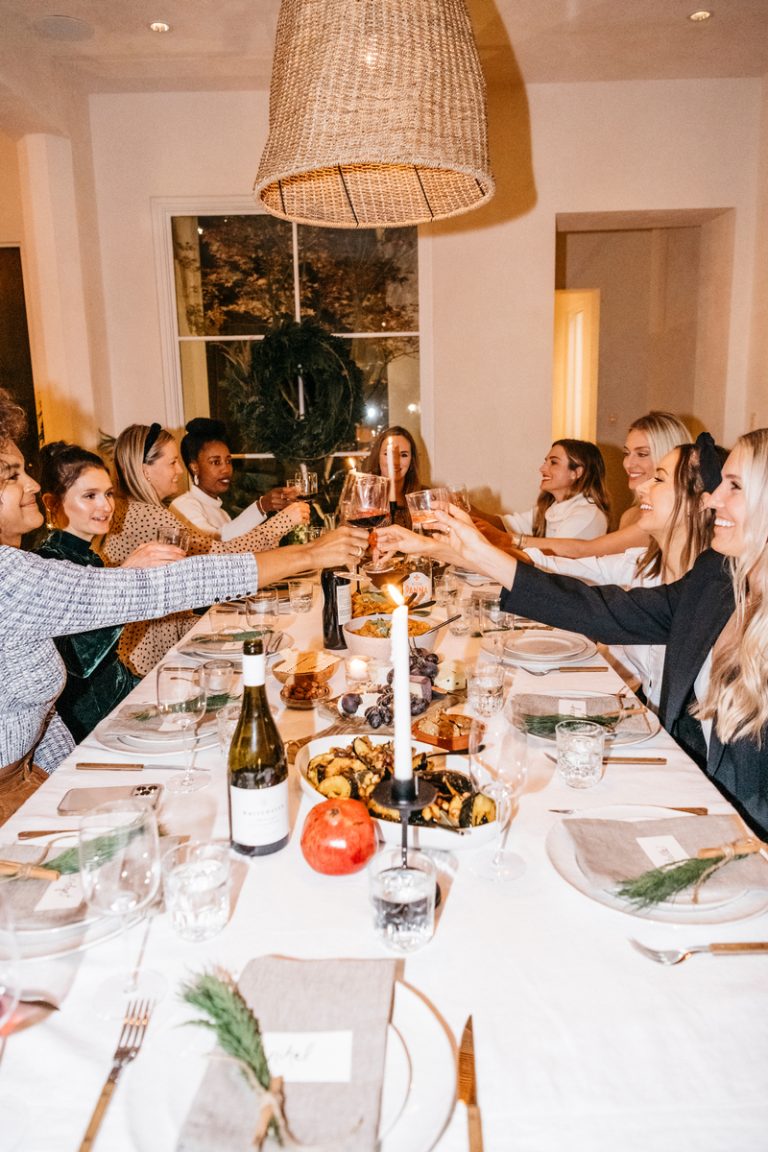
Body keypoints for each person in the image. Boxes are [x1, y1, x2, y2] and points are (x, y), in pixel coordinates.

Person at [377, 431, 768, 838]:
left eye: (734, 486)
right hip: (702, 806)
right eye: (719, 483)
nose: (712, 498)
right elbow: (600, 609)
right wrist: (479, 554)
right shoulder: (716, 580)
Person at [0, 390, 368, 821]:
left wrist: (69, 784)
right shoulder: (11, 577)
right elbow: (181, 580)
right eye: (10, 475)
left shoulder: (18, 566)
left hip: (30, 782)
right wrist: (309, 554)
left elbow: (36, 720)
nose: (30, 484)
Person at [525, 436, 722, 708]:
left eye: (659, 479)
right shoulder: (638, 563)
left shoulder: (714, 594)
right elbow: (557, 567)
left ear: (700, 502)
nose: (642, 488)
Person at [101, 423, 307, 675]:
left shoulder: (130, 510)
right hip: (142, 662)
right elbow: (218, 557)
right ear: (145, 470)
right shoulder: (149, 515)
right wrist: (282, 523)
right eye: (173, 462)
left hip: (146, 648)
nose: (179, 470)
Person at [35, 441, 161, 741]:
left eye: (107, 494)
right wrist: (127, 577)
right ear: (52, 503)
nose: (105, 506)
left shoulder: (88, 557)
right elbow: (77, 662)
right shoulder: (48, 562)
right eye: (89, 496)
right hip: (90, 725)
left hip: (121, 698)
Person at [528, 411, 691, 559]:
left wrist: (514, 541)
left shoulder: (665, 516)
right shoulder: (629, 515)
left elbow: (584, 550)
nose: (628, 463)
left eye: (642, 454)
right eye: (626, 453)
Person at [171, 416, 299, 537]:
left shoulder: (223, 515)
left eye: (228, 461)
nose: (226, 469)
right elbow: (214, 544)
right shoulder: (182, 506)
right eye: (216, 462)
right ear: (195, 467)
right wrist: (263, 505)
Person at [474, 439, 610, 548]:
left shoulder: (587, 515)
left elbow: (553, 556)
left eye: (553, 463)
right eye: (546, 462)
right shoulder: (550, 508)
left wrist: (505, 541)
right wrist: (466, 509)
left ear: (577, 472)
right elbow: (506, 524)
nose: (542, 468)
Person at [362, 425, 423, 528]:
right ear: (378, 457)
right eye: (388, 454)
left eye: (403, 455)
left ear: (412, 461)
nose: (395, 462)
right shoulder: (363, 495)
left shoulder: (422, 497)